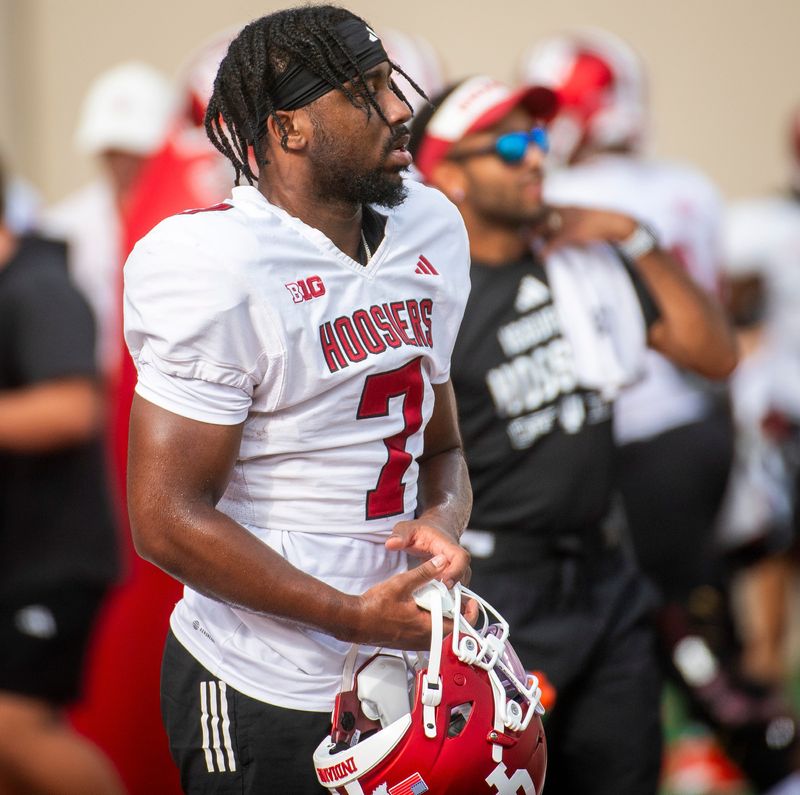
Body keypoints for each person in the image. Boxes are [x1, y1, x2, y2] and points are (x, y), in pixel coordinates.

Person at [122, 7, 472, 794]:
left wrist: (442, 522)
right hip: (259, 680)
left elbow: (441, 447)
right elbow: (165, 515)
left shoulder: (431, 227)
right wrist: (348, 614)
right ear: (289, 129)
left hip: (403, 670)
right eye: (367, 93)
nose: (399, 109)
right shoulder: (214, 261)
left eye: (392, 85)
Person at [409, 74, 738, 795]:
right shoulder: (431, 296)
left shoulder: (583, 259)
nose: (537, 158)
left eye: (541, 139)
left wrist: (633, 234)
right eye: (512, 143)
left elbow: (714, 354)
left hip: (606, 572)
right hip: (500, 591)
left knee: (625, 775)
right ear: (449, 175)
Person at [0, 157, 123, 794]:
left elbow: (72, 408)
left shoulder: (36, 287)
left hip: (54, 558)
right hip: (18, 556)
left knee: (13, 728)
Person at [41, 61, 177, 377]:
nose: (123, 165)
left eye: (135, 152)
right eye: (112, 152)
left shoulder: (195, 222)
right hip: (90, 385)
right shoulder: (62, 228)